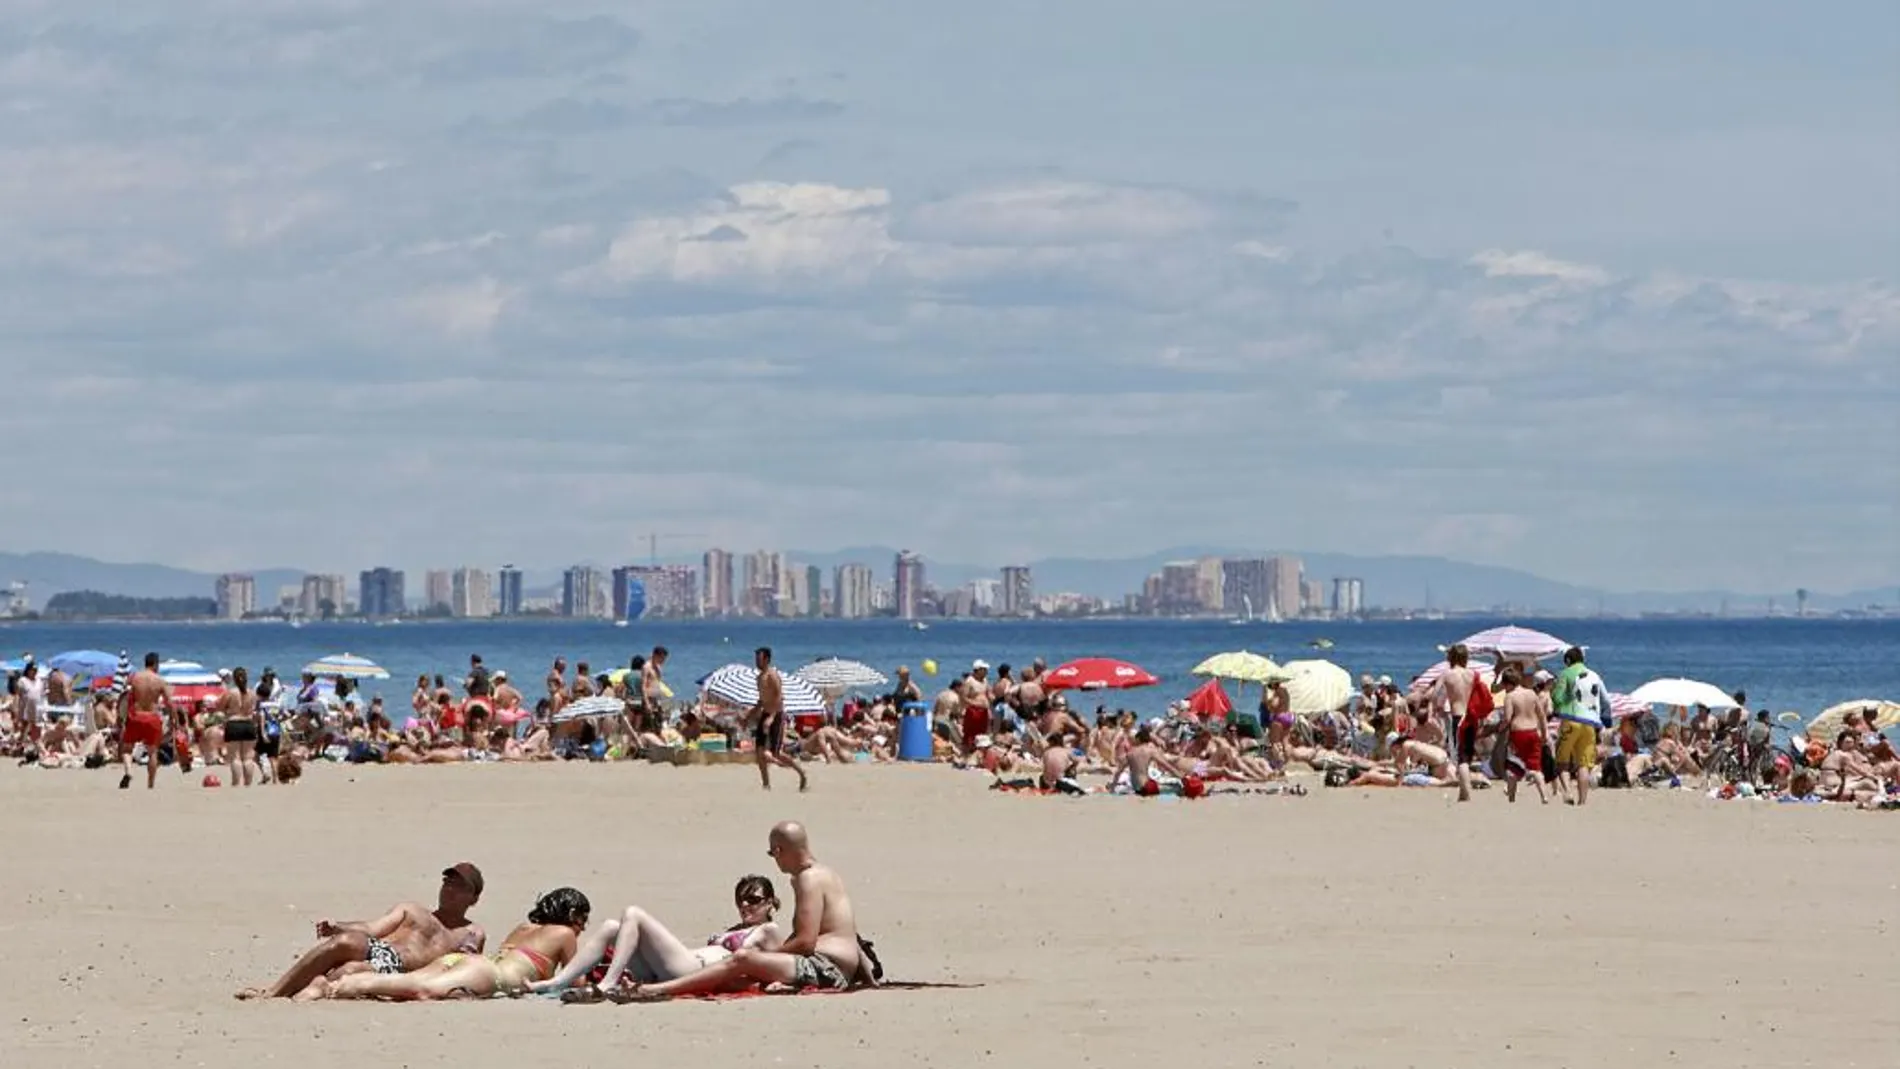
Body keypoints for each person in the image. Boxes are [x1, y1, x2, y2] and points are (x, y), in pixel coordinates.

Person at [619, 822, 865, 999]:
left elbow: (805, 942)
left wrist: (769, 958)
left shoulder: (807, 879)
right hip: (834, 966)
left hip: (827, 968)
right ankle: (667, 985)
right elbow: (845, 934)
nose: (774, 860)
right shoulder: (826, 873)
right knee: (740, 973)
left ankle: (657, 989)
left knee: (742, 959)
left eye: (772, 853)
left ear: (779, 851)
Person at [236, 864, 488, 1000]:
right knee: (343, 941)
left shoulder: (471, 933)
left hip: (398, 967)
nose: (449, 889)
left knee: (350, 971)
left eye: (458, 886)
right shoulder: (412, 910)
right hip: (379, 948)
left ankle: (315, 988)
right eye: (447, 883)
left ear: (474, 898)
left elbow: (464, 972)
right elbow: (371, 928)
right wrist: (339, 927)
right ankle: (274, 992)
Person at [313, 887, 588, 1001]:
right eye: (583, 921)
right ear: (573, 915)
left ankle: (326, 985)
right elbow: (577, 981)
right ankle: (337, 986)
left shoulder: (524, 927)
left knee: (407, 982)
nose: (583, 928)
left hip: (468, 963)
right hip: (490, 974)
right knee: (420, 989)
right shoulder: (564, 934)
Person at [538, 874, 786, 1000]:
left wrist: (778, 983)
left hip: (692, 971)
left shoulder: (768, 930)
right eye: (740, 899)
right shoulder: (735, 928)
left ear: (770, 903)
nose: (745, 904)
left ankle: (607, 983)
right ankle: (557, 982)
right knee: (612, 927)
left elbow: (779, 965)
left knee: (633, 913)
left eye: (753, 899)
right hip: (681, 966)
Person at [1551, 646, 1606, 806]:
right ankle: (1582, 801)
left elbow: (1557, 698)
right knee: (1584, 764)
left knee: (1562, 761)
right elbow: (1605, 700)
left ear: (1568, 660)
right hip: (1590, 723)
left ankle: (1567, 793)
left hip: (1571, 720)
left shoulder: (1565, 674)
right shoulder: (1594, 675)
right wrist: (1605, 720)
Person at [747, 647, 807, 792]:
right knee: (759, 752)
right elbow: (762, 700)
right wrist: (748, 716)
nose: (756, 661)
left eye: (759, 658)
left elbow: (779, 697)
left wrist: (772, 717)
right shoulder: (759, 678)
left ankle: (801, 773)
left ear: (766, 659)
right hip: (765, 714)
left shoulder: (772, 675)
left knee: (776, 753)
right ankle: (766, 784)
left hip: (777, 715)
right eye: (756, 658)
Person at [1434, 644, 1482, 802]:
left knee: (1461, 758)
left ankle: (1466, 792)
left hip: (1458, 716)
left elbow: (1436, 695)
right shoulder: (1473, 674)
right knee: (1467, 754)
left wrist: (1439, 708)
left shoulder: (1447, 674)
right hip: (1472, 717)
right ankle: (1463, 791)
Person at [119, 653, 171, 790]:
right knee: (152, 752)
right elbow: (170, 703)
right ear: (156, 664)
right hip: (152, 717)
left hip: (136, 716)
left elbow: (124, 696)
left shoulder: (134, 678)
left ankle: (129, 772)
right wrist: (175, 720)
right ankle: (150, 784)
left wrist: (120, 717)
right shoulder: (160, 681)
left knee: (127, 749)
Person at [1498, 667, 1548, 804]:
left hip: (1518, 734)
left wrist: (1499, 728)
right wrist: (1545, 733)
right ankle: (1544, 796)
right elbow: (1542, 715)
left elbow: (1507, 718)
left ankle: (1511, 798)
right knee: (1536, 768)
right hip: (1533, 732)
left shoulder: (1510, 696)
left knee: (1513, 768)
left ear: (1508, 683)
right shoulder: (1532, 693)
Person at [221, 667, 262, 787]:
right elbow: (255, 708)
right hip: (248, 724)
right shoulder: (252, 693)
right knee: (248, 757)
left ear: (234, 679)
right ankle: (248, 784)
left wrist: (228, 711)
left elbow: (220, 707)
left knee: (235, 757)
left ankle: (236, 783)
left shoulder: (230, 692)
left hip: (233, 723)